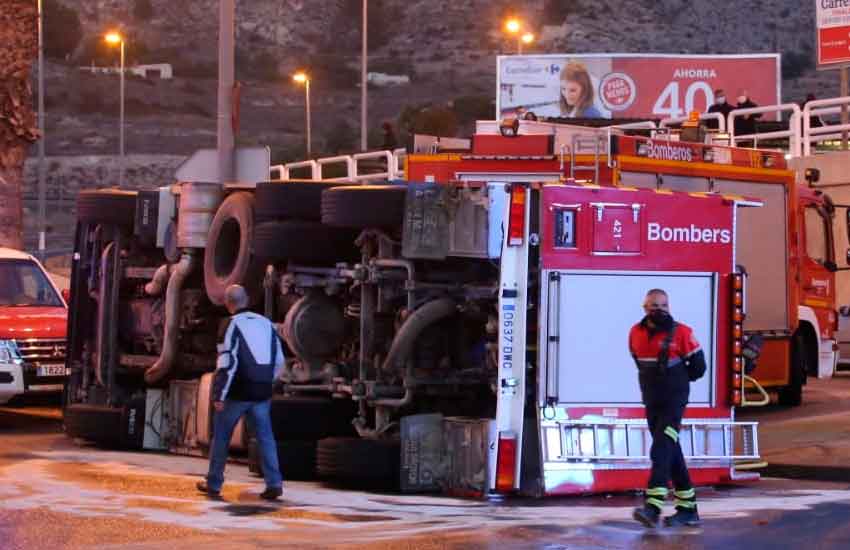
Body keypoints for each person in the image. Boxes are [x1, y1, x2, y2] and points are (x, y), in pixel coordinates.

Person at [197, 284, 284, 500]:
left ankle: (214, 483)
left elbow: (227, 363)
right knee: (265, 437)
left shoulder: (229, 325)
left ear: (228, 303)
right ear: (247, 299)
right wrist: (268, 382)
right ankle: (274, 483)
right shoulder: (267, 324)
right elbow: (280, 360)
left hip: (237, 392)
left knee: (221, 437)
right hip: (262, 391)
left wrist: (219, 394)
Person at [630, 289, 707, 528]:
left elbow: (698, 368)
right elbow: (637, 360)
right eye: (654, 305)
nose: (659, 309)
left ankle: (652, 508)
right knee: (671, 453)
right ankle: (688, 509)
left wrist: (677, 383)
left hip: (674, 402)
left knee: (661, 450)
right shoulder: (635, 332)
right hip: (652, 400)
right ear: (645, 307)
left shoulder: (682, 333)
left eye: (664, 305)